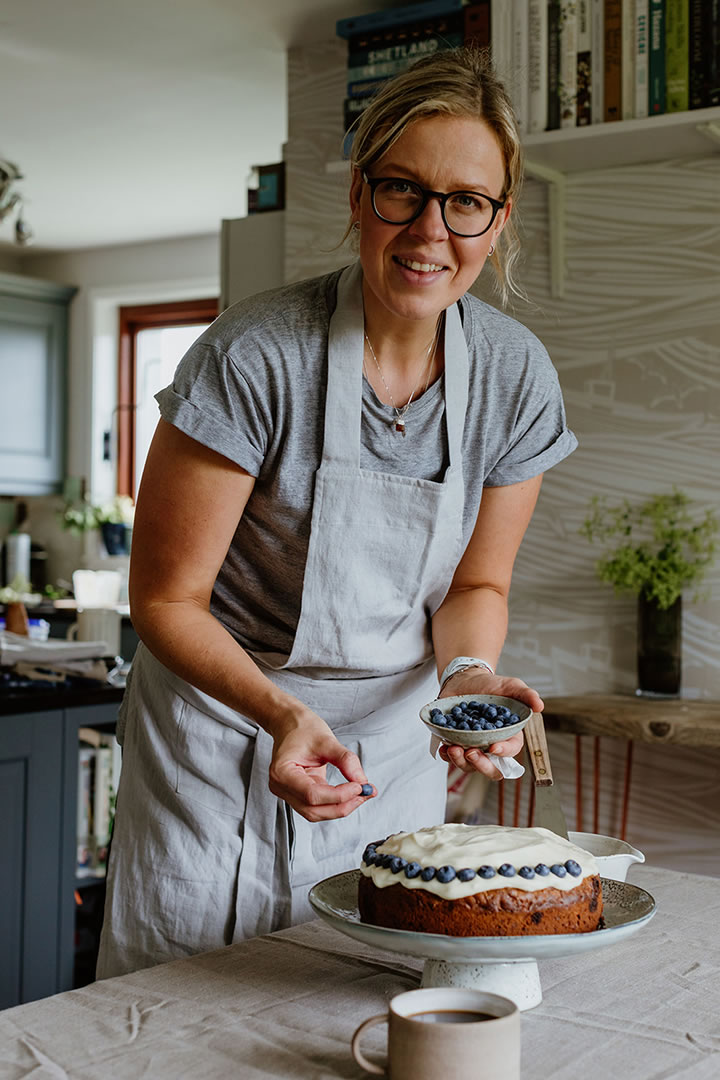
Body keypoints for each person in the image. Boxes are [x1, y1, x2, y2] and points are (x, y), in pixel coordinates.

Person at [96, 46, 577, 979]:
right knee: (187, 1014)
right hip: (221, 736)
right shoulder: (254, 355)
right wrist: (282, 716)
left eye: (465, 201)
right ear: (360, 197)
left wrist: (469, 677)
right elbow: (165, 600)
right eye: (403, 189)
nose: (430, 231)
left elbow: (477, 582)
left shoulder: (516, 379)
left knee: (360, 1000)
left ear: (499, 219)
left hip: (390, 755)